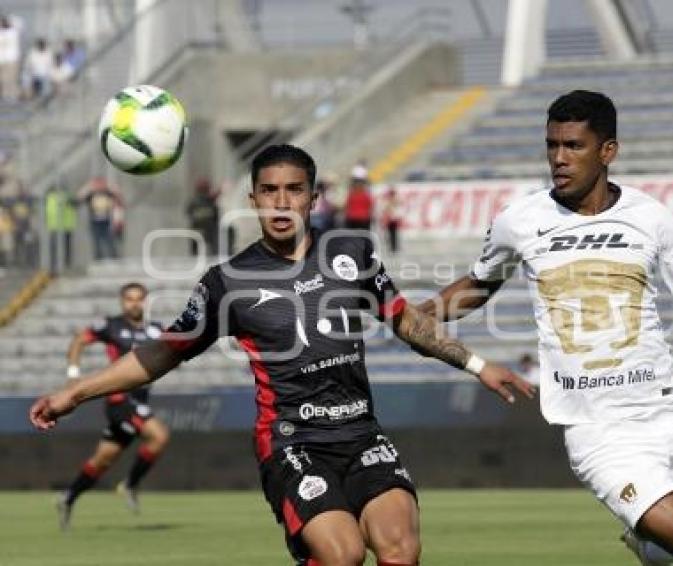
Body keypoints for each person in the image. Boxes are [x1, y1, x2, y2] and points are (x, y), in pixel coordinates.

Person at [31, 144, 534, 565]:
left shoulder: (352, 253)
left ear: (313, 198)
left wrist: (478, 365)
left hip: (362, 433)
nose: (280, 200)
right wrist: (76, 391)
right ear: (252, 199)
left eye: (293, 189)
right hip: (292, 441)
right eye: (269, 190)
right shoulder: (227, 281)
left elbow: (405, 321)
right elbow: (162, 353)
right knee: (343, 557)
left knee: (400, 549)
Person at [416, 90, 673, 566]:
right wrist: (418, 312)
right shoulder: (520, 220)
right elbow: (477, 284)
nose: (558, 158)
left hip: (669, 414)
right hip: (599, 430)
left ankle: (655, 548)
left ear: (607, 151)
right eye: (552, 145)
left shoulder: (652, 218)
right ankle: (662, 544)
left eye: (573, 146)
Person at [55, 282, 169, 529]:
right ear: (122, 301)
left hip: (139, 400)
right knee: (158, 436)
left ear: (146, 301)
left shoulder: (157, 330)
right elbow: (79, 341)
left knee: (102, 460)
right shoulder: (111, 325)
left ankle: (67, 497)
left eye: (139, 298)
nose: (134, 303)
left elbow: (182, 345)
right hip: (120, 401)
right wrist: (74, 374)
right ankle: (130, 485)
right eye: (129, 298)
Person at [78, 176, 122, 260]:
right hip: (95, 221)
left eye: (101, 184)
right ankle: (98, 258)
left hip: (106, 221)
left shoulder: (108, 193)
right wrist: (87, 188)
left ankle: (114, 256)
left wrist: (113, 188)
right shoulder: (91, 194)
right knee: (96, 240)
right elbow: (79, 199)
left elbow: (118, 197)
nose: (99, 186)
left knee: (109, 240)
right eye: (97, 184)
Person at [185, 178, 219, 255]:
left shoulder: (194, 201)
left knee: (196, 250)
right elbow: (216, 216)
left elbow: (188, 213)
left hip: (200, 230)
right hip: (207, 230)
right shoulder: (210, 202)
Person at [0, 15, 21, 101]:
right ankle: (4, 96)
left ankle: (12, 96)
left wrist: (8, 21)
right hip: (2, 60)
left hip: (12, 59)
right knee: (3, 79)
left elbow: (19, 22)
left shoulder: (13, 31)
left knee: (11, 79)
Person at [381, 187, 402, 254]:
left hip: (393, 219)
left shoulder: (396, 200)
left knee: (394, 234)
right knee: (390, 234)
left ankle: (394, 247)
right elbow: (385, 209)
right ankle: (391, 247)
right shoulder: (387, 201)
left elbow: (398, 208)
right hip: (389, 219)